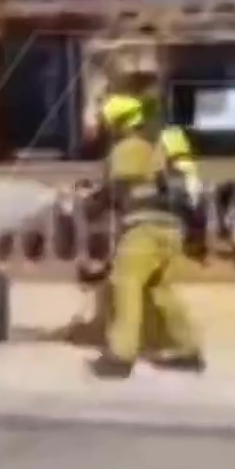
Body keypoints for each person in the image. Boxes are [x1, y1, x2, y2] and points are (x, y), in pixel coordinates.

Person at [89, 94, 205, 378]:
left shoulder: (128, 147)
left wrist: (90, 204)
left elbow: (114, 191)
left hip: (145, 228)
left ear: (118, 124)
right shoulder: (158, 146)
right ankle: (187, 349)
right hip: (171, 228)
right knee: (158, 290)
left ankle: (120, 355)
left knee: (124, 283)